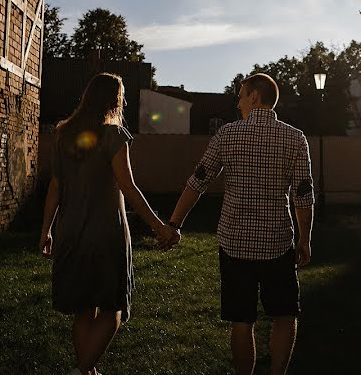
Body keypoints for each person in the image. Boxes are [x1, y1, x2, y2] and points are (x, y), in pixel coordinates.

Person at [168, 73, 315, 375]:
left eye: (241, 93)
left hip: (234, 244)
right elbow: (303, 195)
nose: (237, 100)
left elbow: (198, 182)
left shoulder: (227, 134)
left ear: (254, 97)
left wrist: (174, 223)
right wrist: (305, 239)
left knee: (242, 320)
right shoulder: (295, 138)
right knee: (285, 315)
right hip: (277, 242)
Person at [39, 72, 180, 375]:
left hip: (70, 233)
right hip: (106, 235)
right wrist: (160, 227)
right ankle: (82, 371)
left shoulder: (63, 134)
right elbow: (128, 187)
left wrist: (46, 230)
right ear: (116, 99)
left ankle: (87, 370)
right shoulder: (113, 136)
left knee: (83, 311)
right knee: (112, 309)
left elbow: (55, 186)